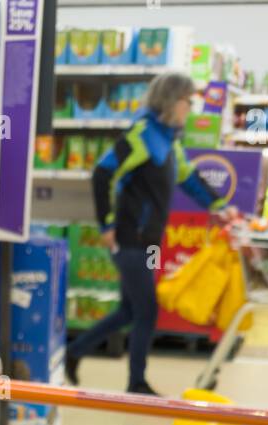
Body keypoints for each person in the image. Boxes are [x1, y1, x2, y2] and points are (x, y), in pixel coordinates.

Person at [66, 72, 237, 396]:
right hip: (130, 240)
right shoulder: (142, 134)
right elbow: (102, 173)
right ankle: (137, 382)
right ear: (172, 101)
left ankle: (76, 351)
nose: (191, 108)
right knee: (147, 311)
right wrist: (106, 224)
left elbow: (189, 178)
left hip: (151, 244)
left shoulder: (171, 140)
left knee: (130, 310)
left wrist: (219, 204)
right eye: (189, 101)